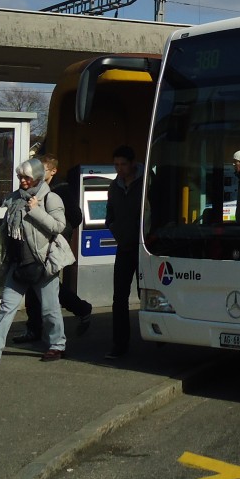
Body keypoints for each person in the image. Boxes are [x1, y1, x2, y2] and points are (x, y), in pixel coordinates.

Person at [0, 158, 68, 366]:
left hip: (42, 263)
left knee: (50, 309)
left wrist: (36, 210)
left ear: (38, 177)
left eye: (27, 177)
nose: (22, 181)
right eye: (20, 177)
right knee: (6, 307)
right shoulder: (14, 198)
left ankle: (57, 345)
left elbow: (58, 227)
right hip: (17, 263)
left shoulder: (50, 198)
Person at [16, 156, 94, 344]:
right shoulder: (35, 190)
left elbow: (75, 216)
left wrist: (58, 233)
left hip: (52, 245)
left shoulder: (60, 190)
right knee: (36, 285)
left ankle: (80, 310)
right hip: (35, 244)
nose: (39, 173)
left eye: (43, 170)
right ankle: (34, 328)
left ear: (53, 171)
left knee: (47, 285)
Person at [104, 145, 142, 361]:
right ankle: (120, 343)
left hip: (144, 247)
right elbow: (110, 214)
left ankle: (157, 335)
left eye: (123, 164)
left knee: (146, 293)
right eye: (116, 164)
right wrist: (115, 229)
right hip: (124, 247)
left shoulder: (145, 183)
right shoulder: (113, 187)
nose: (119, 168)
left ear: (132, 164)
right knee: (119, 297)